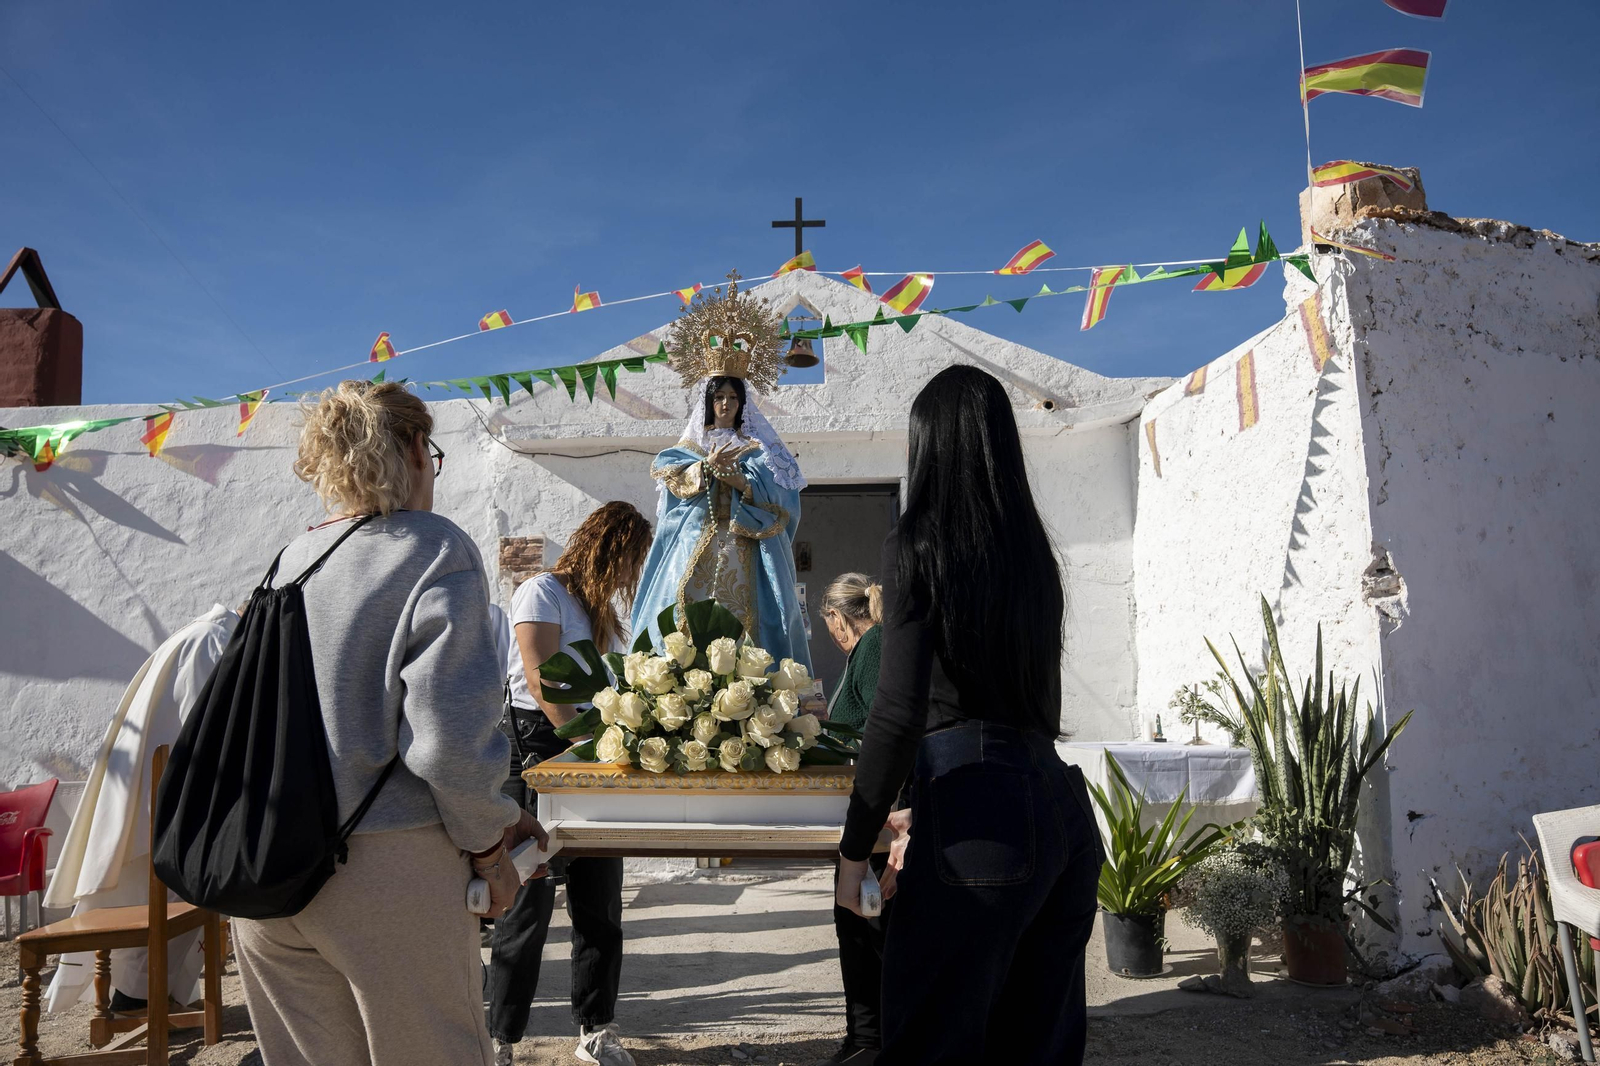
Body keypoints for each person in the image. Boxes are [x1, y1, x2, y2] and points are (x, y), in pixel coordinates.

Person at [231, 380, 544, 1066]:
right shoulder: (432, 547)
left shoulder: (293, 557)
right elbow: (447, 736)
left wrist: (491, 818)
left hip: (264, 868)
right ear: (412, 449)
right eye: (430, 449)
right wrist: (490, 848)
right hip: (386, 869)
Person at [834, 366, 1103, 1066]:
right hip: (1058, 806)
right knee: (1036, 1048)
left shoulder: (917, 545)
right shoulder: (1035, 558)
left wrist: (854, 845)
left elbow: (895, 713)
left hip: (977, 811)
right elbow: (1029, 713)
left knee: (932, 1045)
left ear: (925, 448)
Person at [489, 500, 654, 1066]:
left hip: (588, 742)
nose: (633, 574)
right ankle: (501, 1039)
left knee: (601, 898)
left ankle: (596, 1030)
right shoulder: (543, 592)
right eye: (631, 560)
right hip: (537, 744)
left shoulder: (595, 608)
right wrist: (584, 746)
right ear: (610, 550)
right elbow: (541, 683)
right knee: (526, 902)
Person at [43, 603, 240, 1015]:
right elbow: (216, 729)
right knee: (161, 904)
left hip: (160, 799)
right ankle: (137, 1002)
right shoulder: (214, 640)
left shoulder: (203, 634)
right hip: (165, 805)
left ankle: (149, 998)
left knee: (163, 902)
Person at [631, 276, 811, 669]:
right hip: (693, 546)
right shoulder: (688, 450)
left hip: (745, 549)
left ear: (742, 403)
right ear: (708, 402)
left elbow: (785, 500)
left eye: (733, 397)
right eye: (719, 397)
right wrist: (702, 470)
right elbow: (669, 490)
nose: (726, 403)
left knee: (750, 632)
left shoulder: (760, 451)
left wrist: (743, 482)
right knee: (682, 626)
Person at [816, 574, 888, 1066]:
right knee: (859, 918)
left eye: (831, 628)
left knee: (864, 919)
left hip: (880, 809)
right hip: (872, 803)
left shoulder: (873, 646)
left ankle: (870, 1040)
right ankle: (867, 1036)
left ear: (839, 618)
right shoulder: (871, 648)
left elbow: (878, 727)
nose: (833, 637)